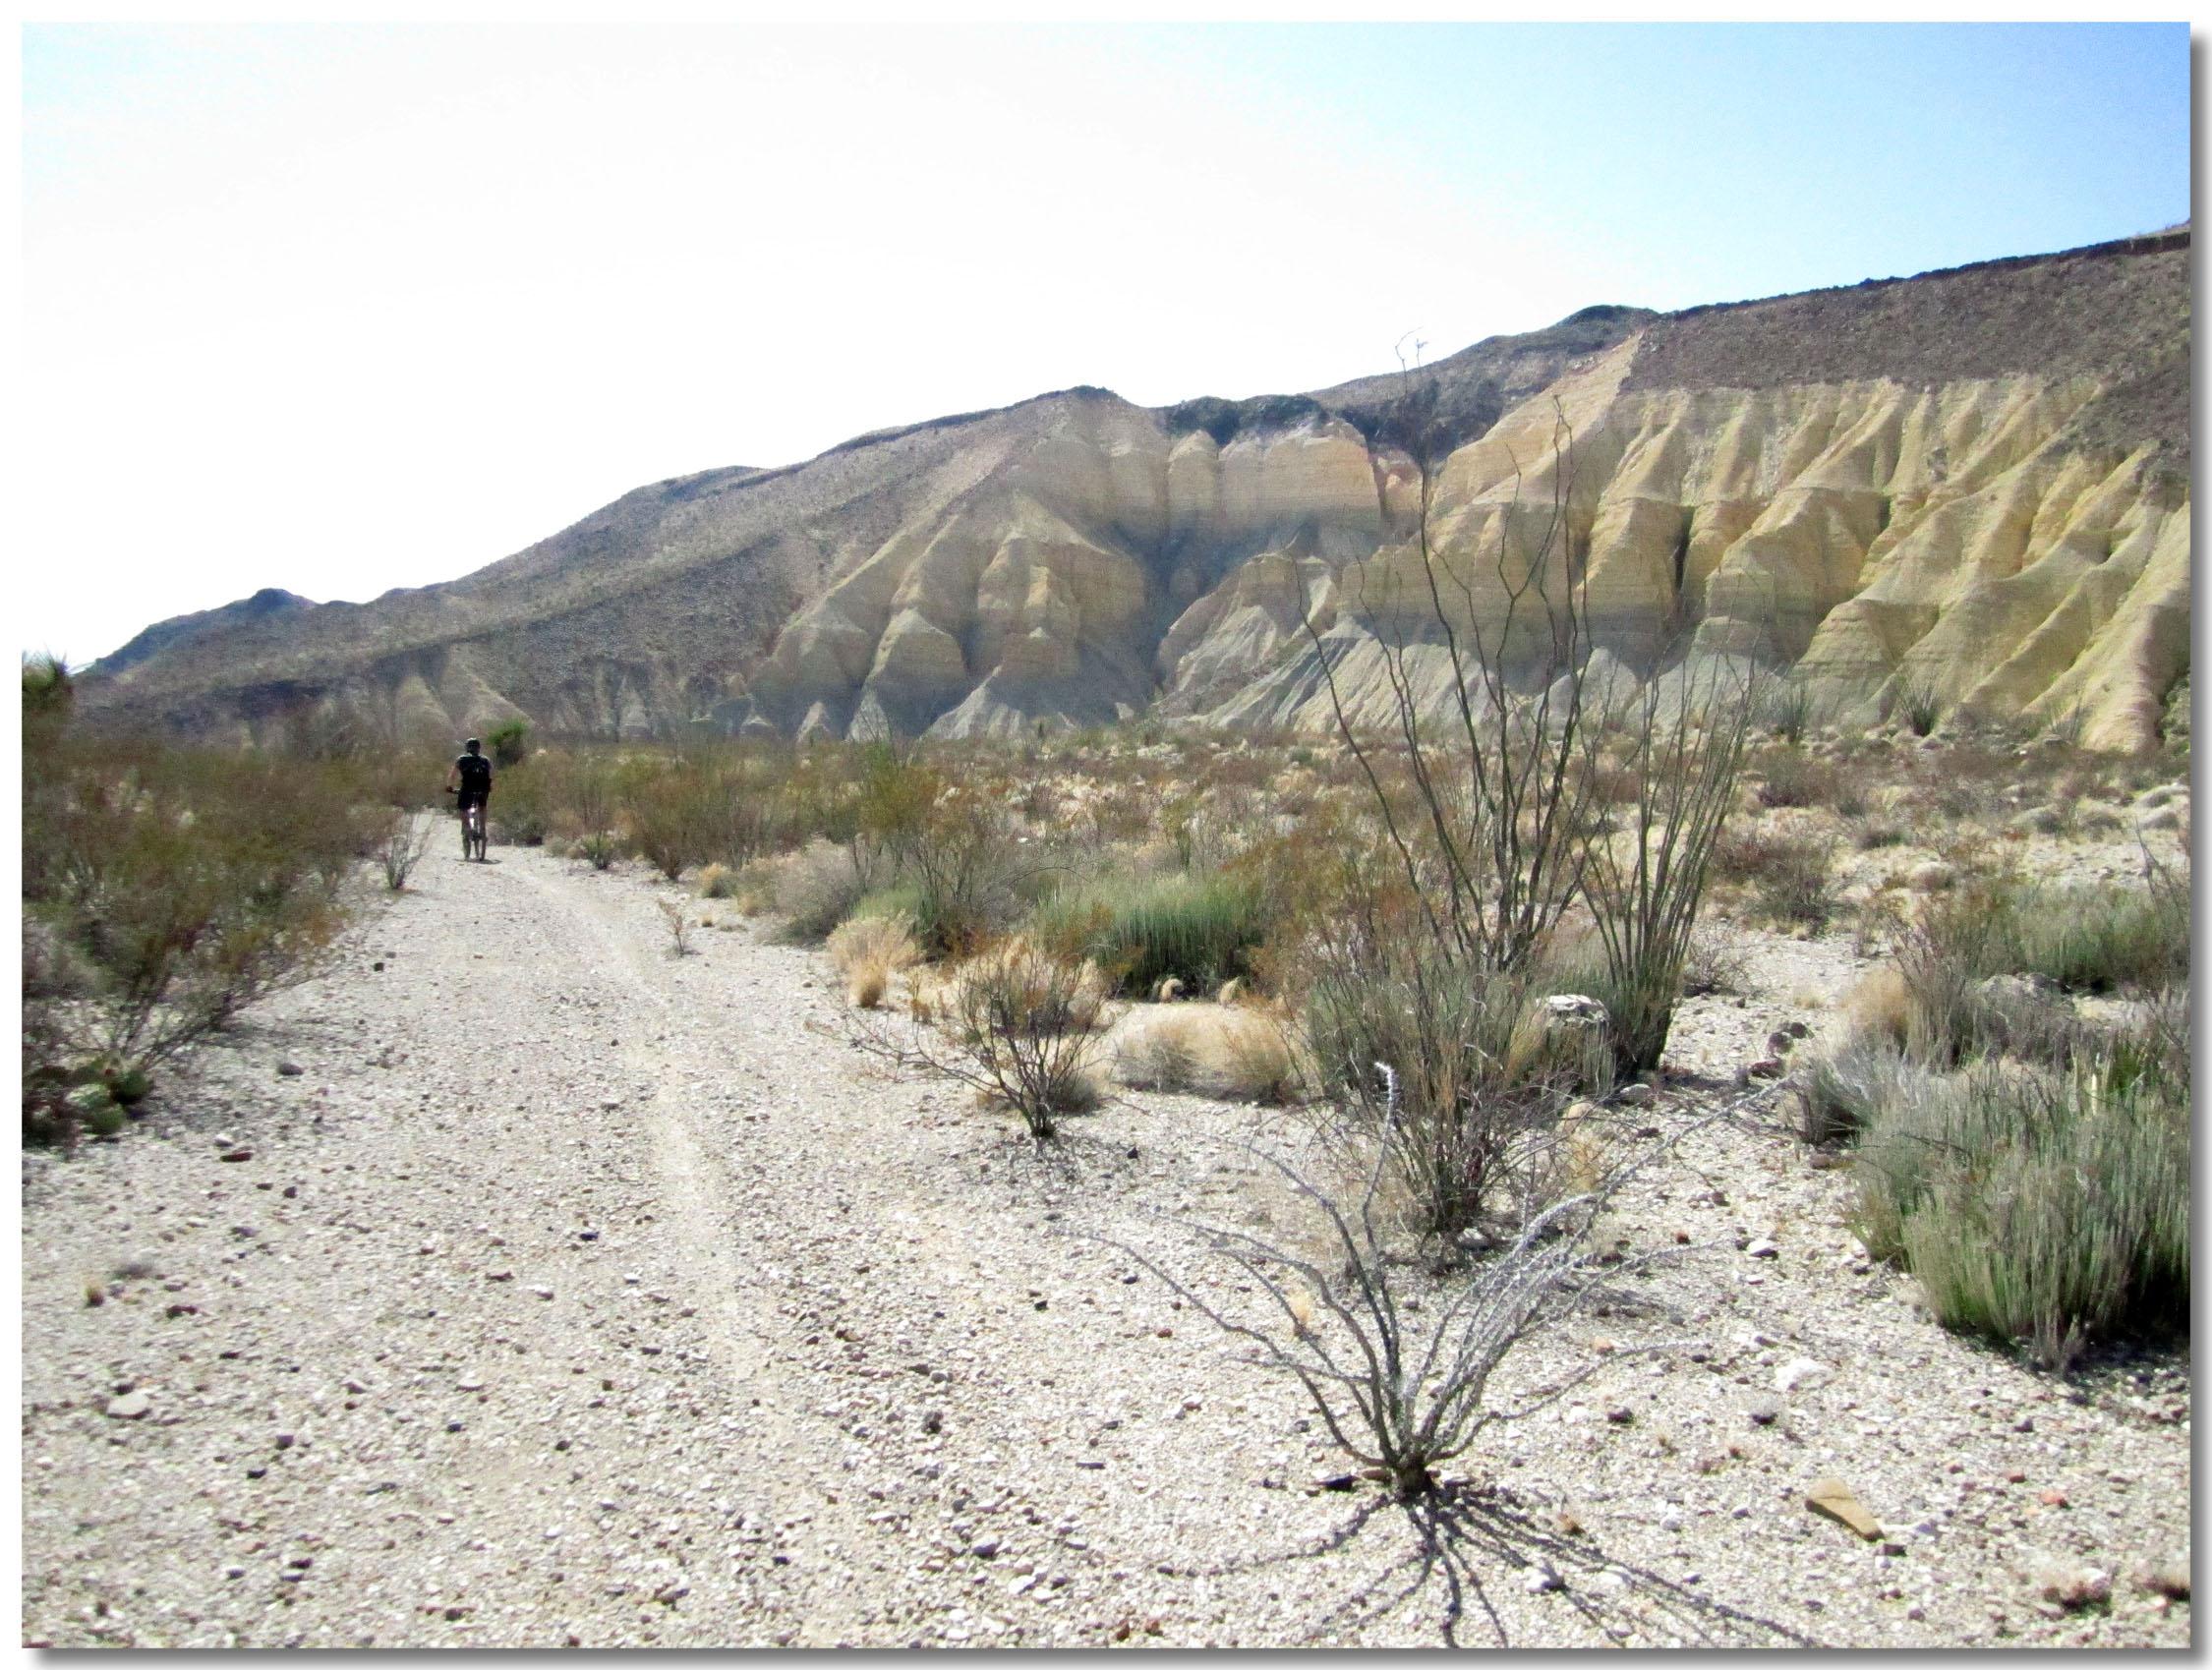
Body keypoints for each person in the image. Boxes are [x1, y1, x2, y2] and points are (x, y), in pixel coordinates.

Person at [445, 736, 494, 849]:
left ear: (467, 748)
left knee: (463, 808)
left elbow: (452, 775)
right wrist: (490, 787)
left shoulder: (461, 759)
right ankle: (482, 829)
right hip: (483, 788)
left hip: (467, 788)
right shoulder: (485, 760)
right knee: (482, 806)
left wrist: (449, 786)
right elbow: (492, 774)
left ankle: (468, 828)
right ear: (479, 748)